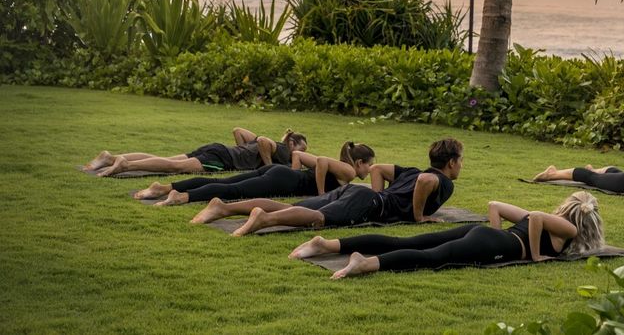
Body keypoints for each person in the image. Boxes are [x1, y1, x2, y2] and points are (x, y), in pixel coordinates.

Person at [289, 191, 604, 279]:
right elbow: (535, 218)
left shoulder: (556, 222)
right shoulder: (570, 228)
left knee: (409, 242)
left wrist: (490, 234)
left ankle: (328, 244)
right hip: (496, 241)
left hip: (486, 234)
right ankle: (365, 264)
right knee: (433, 259)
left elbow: (495, 205)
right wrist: (534, 256)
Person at [190, 137, 464, 236]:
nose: (461, 165)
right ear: (450, 162)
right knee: (319, 218)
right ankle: (264, 219)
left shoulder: (412, 170)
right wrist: (418, 217)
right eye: (460, 160)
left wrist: (378, 194)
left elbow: (378, 169)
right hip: (367, 202)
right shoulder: (441, 181)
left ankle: (223, 208)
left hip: (361, 195)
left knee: (295, 208)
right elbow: (425, 181)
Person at [135, 142, 373, 206]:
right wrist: (320, 194)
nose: (370, 170)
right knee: (233, 190)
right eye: (369, 165)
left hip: (279, 173)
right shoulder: (349, 171)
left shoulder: (343, 168)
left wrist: (296, 177)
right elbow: (320, 162)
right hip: (283, 180)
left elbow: (299, 157)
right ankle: (182, 196)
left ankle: (165, 188)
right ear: (359, 162)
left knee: (227, 183)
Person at [83, 128, 308, 177]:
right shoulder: (282, 151)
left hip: (219, 149)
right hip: (220, 159)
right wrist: (267, 165)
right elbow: (263, 141)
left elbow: (239, 131)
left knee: (169, 160)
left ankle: (110, 158)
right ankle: (125, 165)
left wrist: (245, 153)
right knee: (175, 167)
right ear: (291, 144)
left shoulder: (281, 148)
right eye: (302, 149)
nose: (303, 154)